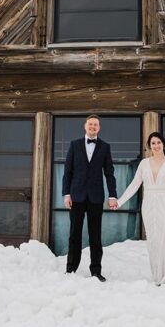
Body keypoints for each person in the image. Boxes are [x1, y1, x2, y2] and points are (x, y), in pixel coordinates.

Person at [115, 131, 165, 286]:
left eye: (158, 142)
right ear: (149, 146)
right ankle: (157, 276)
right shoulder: (144, 163)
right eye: (153, 143)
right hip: (148, 204)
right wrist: (119, 202)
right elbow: (134, 185)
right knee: (153, 242)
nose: (156, 146)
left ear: (164, 144)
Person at [62, 114, 118, 281]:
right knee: (74, 234)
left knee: (95, 235)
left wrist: (112, 195)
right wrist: (66, 194)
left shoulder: (105, 147)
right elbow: (67, 172)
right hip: (76, 196)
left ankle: (96, 271)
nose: (93, 127)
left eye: (96, 125)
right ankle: (71, 268)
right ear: (85, 126)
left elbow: (109, 173)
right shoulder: (74, 145)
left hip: (96, 197)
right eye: (90, 124)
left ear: (99, 128)